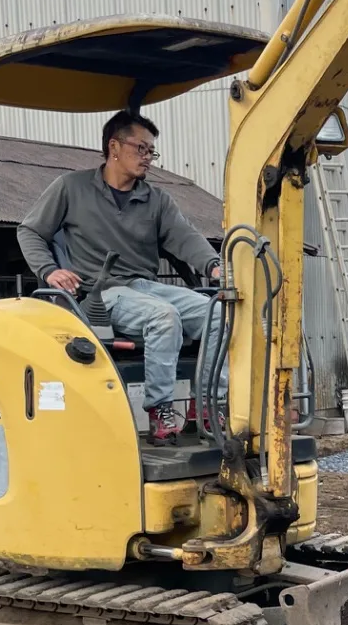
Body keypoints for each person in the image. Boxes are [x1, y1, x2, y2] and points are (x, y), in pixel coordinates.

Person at [17, 111, 216, 440]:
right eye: (141, 148)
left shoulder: (156, 200)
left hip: (144, 288)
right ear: (114, 146)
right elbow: (30, 231)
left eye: (151, 151)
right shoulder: (71, 188)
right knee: (163, 317)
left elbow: (186, 238)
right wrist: (50, 270)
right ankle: (161, 409)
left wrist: (213, 265)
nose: (148, 158)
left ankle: (210, 406)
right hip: (100, 293)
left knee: (219, 312)